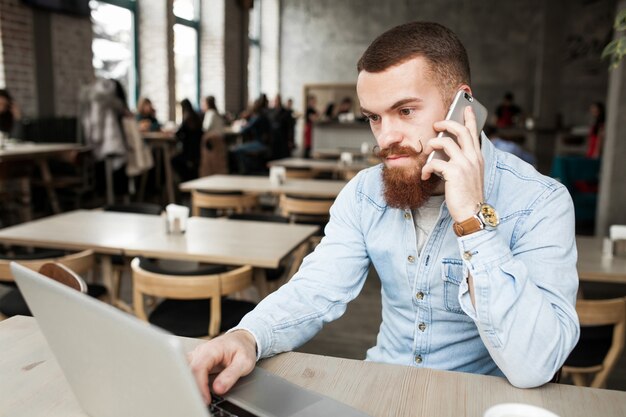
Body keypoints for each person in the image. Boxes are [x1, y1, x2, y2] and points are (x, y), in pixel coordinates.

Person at [188, 21, 579, 402]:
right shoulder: (364, 194)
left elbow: (535, 366)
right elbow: (315, 288)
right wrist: (247, 336)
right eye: (374, 117)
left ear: (463, 106)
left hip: (477, 403)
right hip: (381, 393)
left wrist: (472, 221)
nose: (385, 138)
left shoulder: (540, 201)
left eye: (405, 111)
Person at [172, 99, 203, 181]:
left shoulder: (187, 118)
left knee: (173, 160)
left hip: (188, 153)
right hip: (197, 152)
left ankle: (184, 182)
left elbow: (178, 134)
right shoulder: (196, 116)